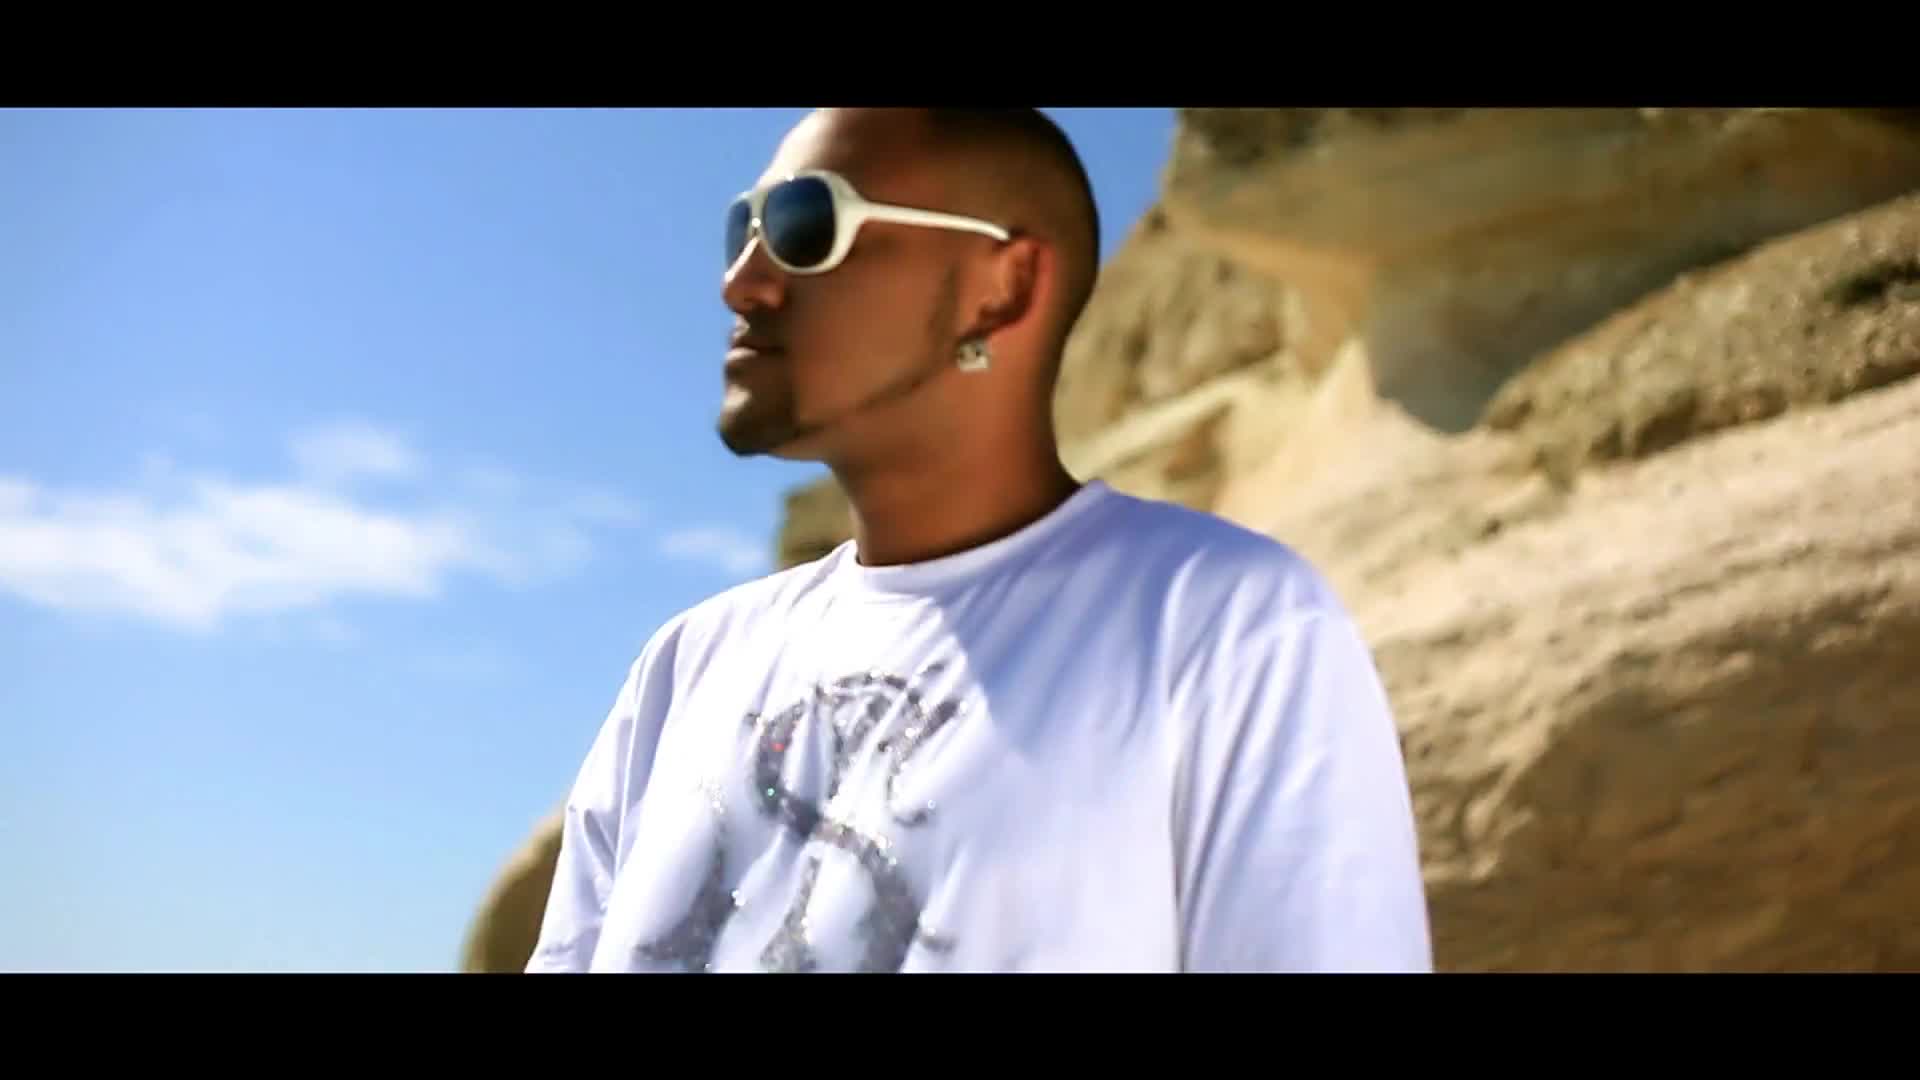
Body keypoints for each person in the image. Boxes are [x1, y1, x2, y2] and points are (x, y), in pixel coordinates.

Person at [524, 107, 1432, 973]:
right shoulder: (687, 665)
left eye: (806, 225)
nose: (742, 281)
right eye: (743, 231)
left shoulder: (1220, 626)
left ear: (1004, 286)